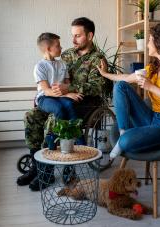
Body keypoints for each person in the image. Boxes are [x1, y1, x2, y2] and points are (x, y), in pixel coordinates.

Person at [17, 17, 107, 190]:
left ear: (90, 35)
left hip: (83, 104)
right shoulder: (65, 55)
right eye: (72, 35)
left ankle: (51, 172)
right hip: (57, 100)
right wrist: (41, 95)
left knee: (53, 120)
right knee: (31, 117)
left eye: (78, 36)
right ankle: (37, 167)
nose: (72, 40)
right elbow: (48, 79)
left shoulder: (98, 59)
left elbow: (97, 87)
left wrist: (69, 88)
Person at [97, 23, 160, 160]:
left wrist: (151, 87)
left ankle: (124, 139)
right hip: (153, 118)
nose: (147, 44)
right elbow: (126, 78)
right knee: (120, 86)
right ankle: (123, 131)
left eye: (149, 40)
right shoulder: (154, 67)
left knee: (125, 142)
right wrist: (105, 74)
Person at [34, 32, 83, 120]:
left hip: (59, 96)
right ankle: (56, 134)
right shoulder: (40, 66)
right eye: (58, 46)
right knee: (58, 108)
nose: (61, 47)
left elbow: (68, 84)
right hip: (45, 98)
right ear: (48, 49)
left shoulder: (62, 64)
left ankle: (75, 132)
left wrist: (69, 93)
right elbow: (47, 91)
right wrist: (66, 95)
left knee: (70, 104)